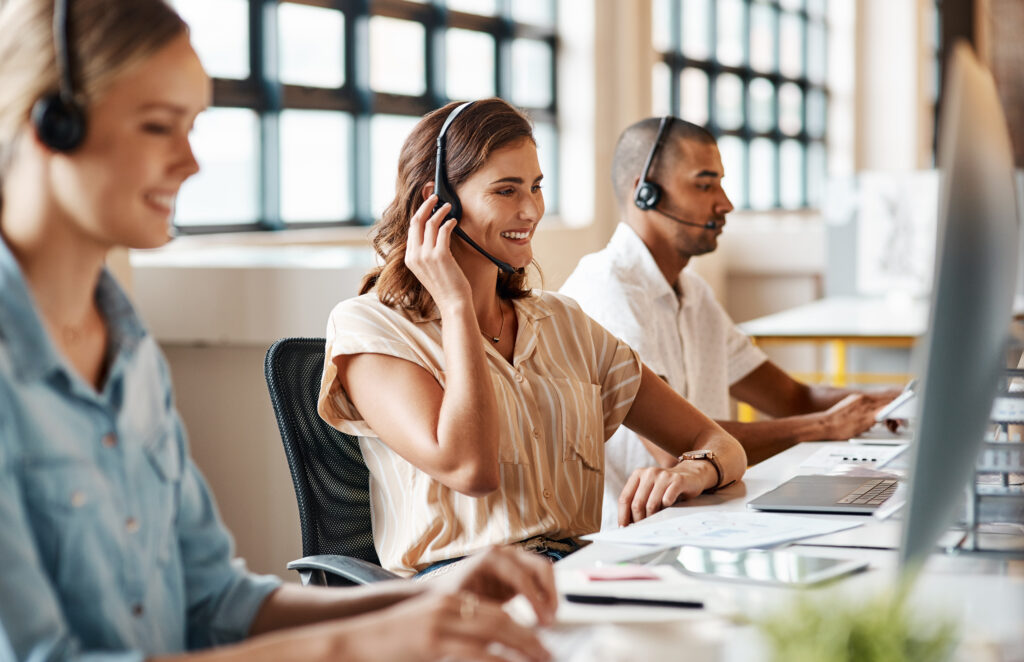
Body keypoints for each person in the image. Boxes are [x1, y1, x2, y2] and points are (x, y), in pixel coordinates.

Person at [0, 1, 559, 661]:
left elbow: (218, 604)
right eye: (158, 127)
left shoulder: (127, 350)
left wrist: (422, 597)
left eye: (194, 128)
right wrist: (359, 645)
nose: (191, 163)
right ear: (53, 125)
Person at [317, 98, 747, 577]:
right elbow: (470, 469)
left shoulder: (563, 322)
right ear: (434, 203)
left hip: (575, 570)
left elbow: (719, 442)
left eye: (536, 187)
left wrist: (696, 468)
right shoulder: (370, 327)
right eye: (505, 190)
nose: (530, 211)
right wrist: (456, 305)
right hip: (458, 587)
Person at [559, 116, 901, 530]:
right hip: (639, 535)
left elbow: (792, 398)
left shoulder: (693, 292)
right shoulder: (607, 290)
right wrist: (824, 427)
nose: (725, 203)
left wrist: (890, 400)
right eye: (705, 185)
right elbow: (676, 452)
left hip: (708, 519)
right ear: (645, 192)